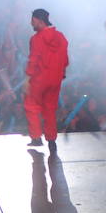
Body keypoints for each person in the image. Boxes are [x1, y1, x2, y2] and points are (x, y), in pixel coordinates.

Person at [23, 9, 69, 153]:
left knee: (31, 105)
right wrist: (62, 73)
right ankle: (51, 140)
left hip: (39, 79)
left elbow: (34, 59)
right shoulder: (61, 37)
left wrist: (27, 78)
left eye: (33, 20)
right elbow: (65, 58)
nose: (31, 23)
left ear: (40, 21)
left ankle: (36, 138)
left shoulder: (36, 39)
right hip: (55, 79)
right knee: (50, 109)